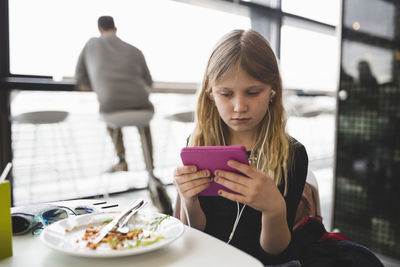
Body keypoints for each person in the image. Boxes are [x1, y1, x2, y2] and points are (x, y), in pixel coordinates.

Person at [173, 29, 308, 266]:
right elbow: (196, 232)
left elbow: (276, 252)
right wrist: (189, 200)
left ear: (272, 90)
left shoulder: (292, 154)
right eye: (226, 94)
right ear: (210, 92)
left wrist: (274, 209)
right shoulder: (198, 145)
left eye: (253, 92)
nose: (239, 107)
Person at [75, 15, 153, 173]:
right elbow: (149, 81)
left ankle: (121, 159)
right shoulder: (134, 49)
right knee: (144, 126)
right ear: (115, 29)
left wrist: (99, 84)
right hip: (142, 108)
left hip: (111, 109)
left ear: (99, 29)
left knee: (111, 120)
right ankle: (150, 167)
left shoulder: (91, 44)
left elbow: (79, 77)